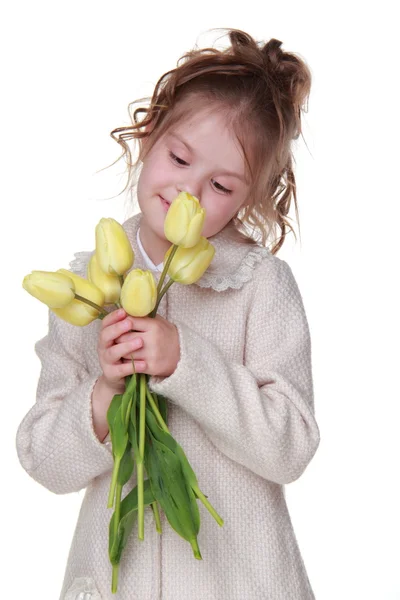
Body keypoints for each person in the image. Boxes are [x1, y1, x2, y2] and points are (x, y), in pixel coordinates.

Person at [16, 27, 321, 600]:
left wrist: (188, 361)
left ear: (252, 194)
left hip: (240, 583)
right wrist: (105, 390)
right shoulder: (85, 290)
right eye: (179, 157)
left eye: (222, 185)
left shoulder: (261, 287)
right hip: (116, 583)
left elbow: (292, 447)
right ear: (150, 131)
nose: (189, 191)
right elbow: (43, 462)